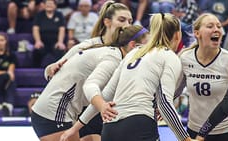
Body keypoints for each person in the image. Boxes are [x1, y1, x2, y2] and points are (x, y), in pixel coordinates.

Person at [72, 13, 194, 141]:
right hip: (139, 125)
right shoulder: (168, 56)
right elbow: (164, 102)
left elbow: (106, 94)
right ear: (178, 35)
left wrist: (75, 128)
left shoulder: (134, 53)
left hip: (110, 127)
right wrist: (185, 138)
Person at [31, 25, 148, 141]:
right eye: (147, 46)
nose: (150, 52)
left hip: (56, 110)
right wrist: (102, 105)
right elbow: (90, 85)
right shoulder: (113, 59)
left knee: (95, 138)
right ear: (133, 45)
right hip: (53, 113)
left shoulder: (112, 53)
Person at [177, 13, 228, 141]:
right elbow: (176, 90)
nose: (216, 29)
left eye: (219, 26)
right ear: (197, 33)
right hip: (194, 130)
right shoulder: (185, 58)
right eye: (210, 26)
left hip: (225, 131)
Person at [44, 1, 132, 80]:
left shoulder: (131, 50)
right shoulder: (88, 46)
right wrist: (50, 69)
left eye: (130, 22)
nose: (127, 26)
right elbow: (49, 73)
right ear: (107, 22)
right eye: (122, 20)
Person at [32, 0, 66, 68]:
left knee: (60, 50)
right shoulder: (39, 15)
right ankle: (35, 70)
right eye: (47, 4)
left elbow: (62, 29)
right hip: (43, 42)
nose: (49, 5)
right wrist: (38, 41)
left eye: (51, 4)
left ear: (55, 6)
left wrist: (60, 42)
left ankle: (59, 69)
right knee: (37, 50)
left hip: (55, 42)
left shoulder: (59, 15)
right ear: (44, 5)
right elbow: (35, 29)